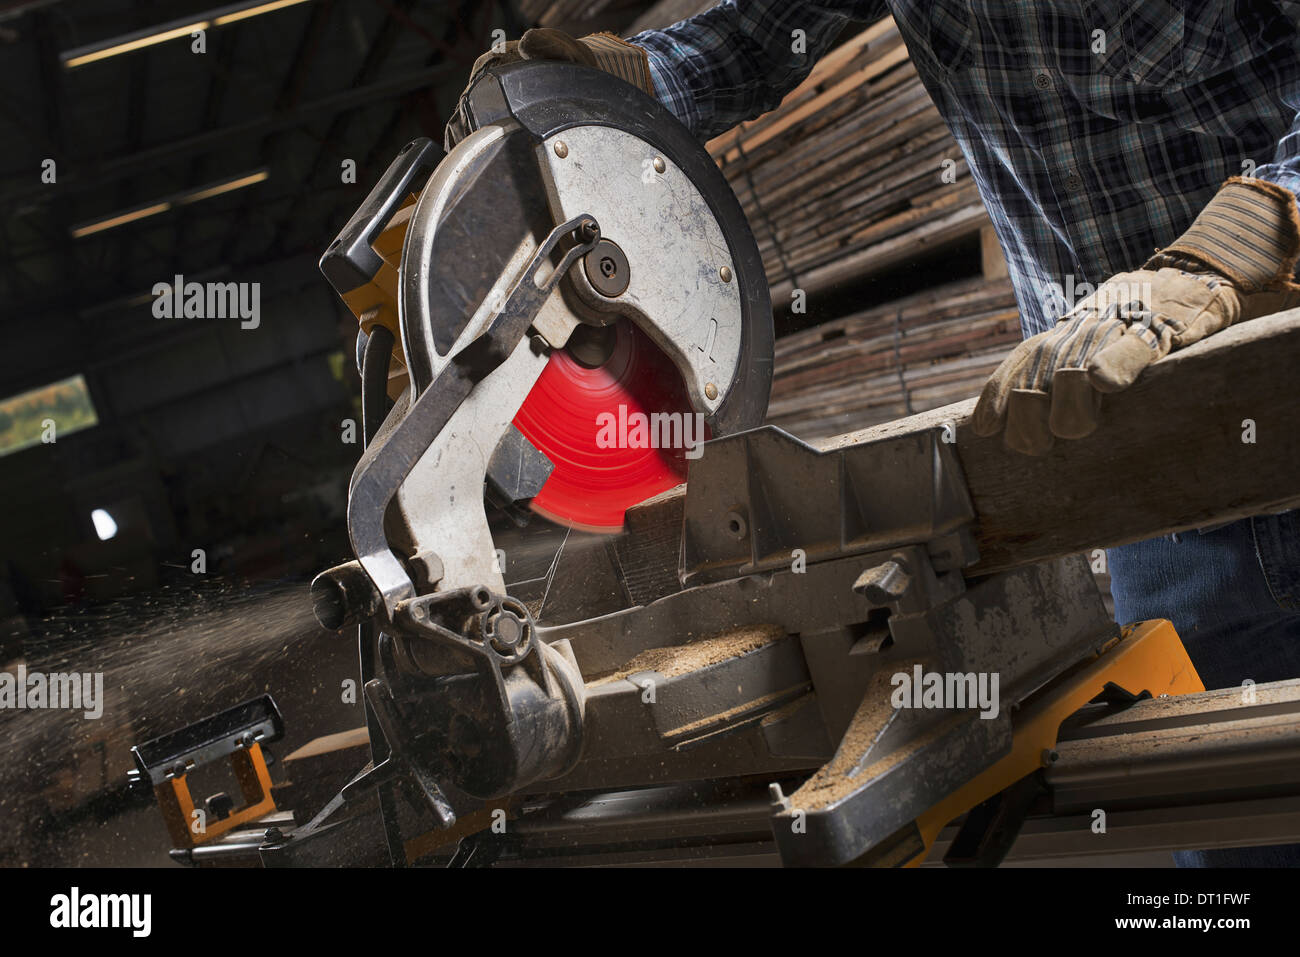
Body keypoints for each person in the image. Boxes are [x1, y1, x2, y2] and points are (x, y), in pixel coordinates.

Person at [450, 2, 1300, 866]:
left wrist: (1245, 241)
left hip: (1279, 371)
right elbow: (762, 35)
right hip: (1135, 453)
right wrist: (615, 86)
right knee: (1229, 830)